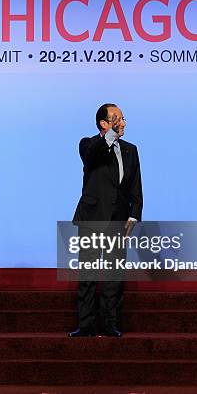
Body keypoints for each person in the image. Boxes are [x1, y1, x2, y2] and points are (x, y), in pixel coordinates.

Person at [69, 103, 143, 338]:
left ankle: (110, 323)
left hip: (118, 221)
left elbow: (135, 186)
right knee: (88, 275)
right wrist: (111, 133)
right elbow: (93, 156)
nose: (123, 122)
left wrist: (134, 213)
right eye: (117, 118)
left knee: (113, 276)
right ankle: (86, 324)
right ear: (104, 123)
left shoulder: (131, 150)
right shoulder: (88, 144)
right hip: (92, 219)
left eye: (123, 118)